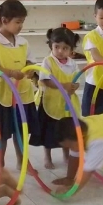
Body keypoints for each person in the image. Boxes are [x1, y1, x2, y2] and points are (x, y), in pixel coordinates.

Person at [0, 0, 39, 169]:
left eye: (22, 22)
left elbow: (31, 61)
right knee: (2, 133)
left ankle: (22, 161)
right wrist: (11, 73)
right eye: (18, 22)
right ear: (4, 20)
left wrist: (30, 70)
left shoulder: (23, 43)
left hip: (23, 95)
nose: (21, 26)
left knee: (22, 130)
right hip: (3, 96)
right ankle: (0, 165)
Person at [35, 27, 81, 169]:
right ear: (51, 45)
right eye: (56, 47)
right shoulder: (48, 61)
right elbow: (45, 81)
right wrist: (63, 86)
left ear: (71, 49)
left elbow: (77, 80)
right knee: (49, 131)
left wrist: (74, 86)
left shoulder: (72, 63)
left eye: (65, 48)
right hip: (51, 102)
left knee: (66, 131)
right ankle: (47, 157)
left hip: (67, 103)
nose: (60, 51)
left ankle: (66, 154)